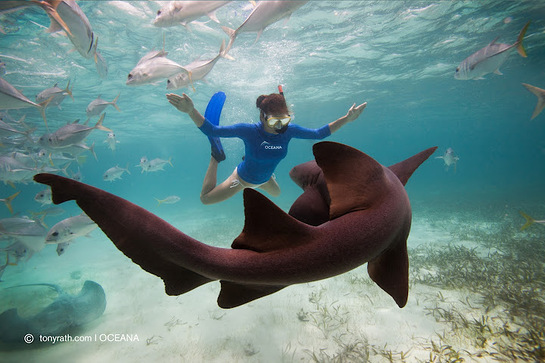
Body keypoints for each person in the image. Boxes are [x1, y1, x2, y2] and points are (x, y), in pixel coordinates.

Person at [166, 90, 366, 204]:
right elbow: (212, 130)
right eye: (273, 122)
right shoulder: (248, 130)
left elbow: (318, 133)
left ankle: (265, 176)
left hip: (264, 178)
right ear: (262, 117)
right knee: (206, 200)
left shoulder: (289, 131)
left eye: (284, 120)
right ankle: (215, 157)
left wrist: (347, 119)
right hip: (242, 179)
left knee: (278, 194)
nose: (279, 127)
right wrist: (191, 111)